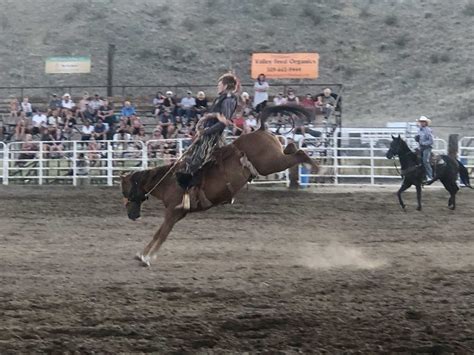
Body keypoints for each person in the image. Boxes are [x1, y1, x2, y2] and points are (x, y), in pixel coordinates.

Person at [175, 72, 239, 209]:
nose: (218, 86)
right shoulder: (222, 98)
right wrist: (208, 117)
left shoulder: (228, 99)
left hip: (212, 136)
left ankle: (189, 199)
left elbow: (223, 122)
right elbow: (218, 117)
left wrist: (205, 132)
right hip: (210, 134)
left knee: (193, 164)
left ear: (226, 85)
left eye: (219, 84)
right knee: (196, 163)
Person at [415, 116, 434, 181]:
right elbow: (417, 138)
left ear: (426, 123)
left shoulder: (428, 130)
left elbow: (431, 141)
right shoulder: (419, 130)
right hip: (421, 147)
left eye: (423, 122)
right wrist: (416, 139)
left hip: (427, 148)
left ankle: (430, 176)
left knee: (425, 161)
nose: (422, 123)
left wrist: (423, 143)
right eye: (421, 122)